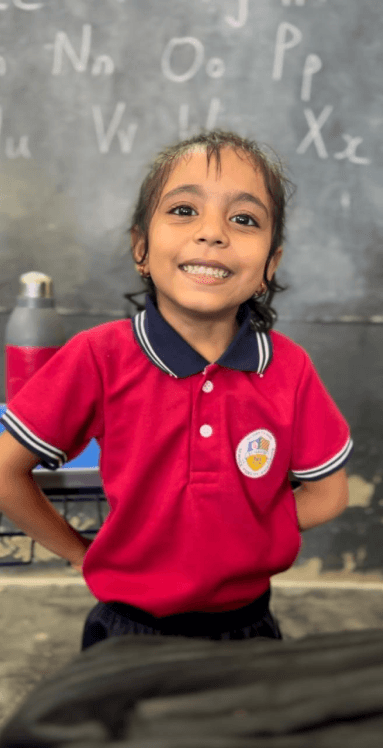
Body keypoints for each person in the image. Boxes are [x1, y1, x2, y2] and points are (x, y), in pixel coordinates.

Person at [0, 129, 353, 651]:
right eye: (185, 210)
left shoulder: (289, 369)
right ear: (141, 248)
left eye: (244, 218)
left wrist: (249, 525)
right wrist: (79, 552)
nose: (212, 233)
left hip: (250, 631)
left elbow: (329, 494)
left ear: (268, 267)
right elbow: (7, 471)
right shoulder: (98, 356)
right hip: (125, 634)